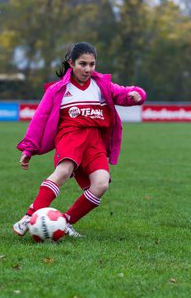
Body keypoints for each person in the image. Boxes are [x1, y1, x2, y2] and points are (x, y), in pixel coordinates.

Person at [13, 42, 146, 237]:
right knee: (63, 171)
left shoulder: (102, 85)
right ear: (71, 63)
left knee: (101, 184)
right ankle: (29, 217)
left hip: (94, 141)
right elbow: (39, 119)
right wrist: (29, 149)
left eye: (92, 64)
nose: (88, 69)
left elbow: (125, 94)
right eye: (83, 64)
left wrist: (136, 95)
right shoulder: (57, 90)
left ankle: (64, 222)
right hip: (70, 135)